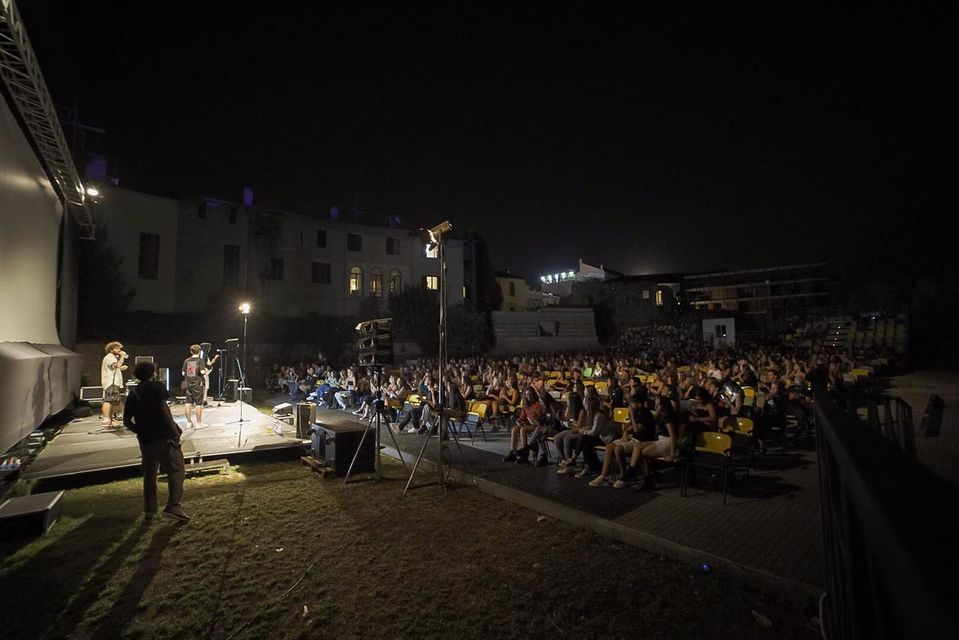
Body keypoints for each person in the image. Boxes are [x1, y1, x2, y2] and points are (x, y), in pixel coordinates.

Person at [124, 361, 189, 522]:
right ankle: (173, 506)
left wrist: (141, 431)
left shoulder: (133, 393)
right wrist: (174, 431)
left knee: (150, 474)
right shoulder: (157, 387)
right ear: (153, 373)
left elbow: (126, 421)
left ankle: (150, 510)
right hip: (163, 436)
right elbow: (164, 409)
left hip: (145, 440)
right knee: (176, 470)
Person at [100, 341, 128, 427]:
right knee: (109, 400)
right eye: (117, 348)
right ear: (111, 349)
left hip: (114, 383)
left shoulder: (112, 358)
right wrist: (122, 357)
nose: (119, 350)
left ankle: (114, 418)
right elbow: (115, 365)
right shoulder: (109, 357)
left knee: (115, 400)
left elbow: (115, 367)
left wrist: (121, 368)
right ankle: (106, 419)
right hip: (110, 382)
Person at [182, 344, 208, 427]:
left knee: (188, 402)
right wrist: (206, 371)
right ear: (199, 351)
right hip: (198, 384)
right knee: (198, 404)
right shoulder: (200, 360)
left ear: (191, 351)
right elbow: (202, 372)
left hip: (188, 383)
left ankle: (189, 423)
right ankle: (198, 423)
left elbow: (183, 373)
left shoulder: (186, 361)